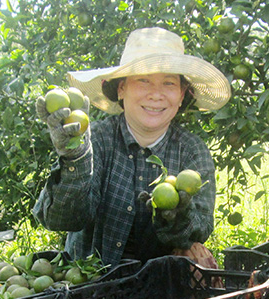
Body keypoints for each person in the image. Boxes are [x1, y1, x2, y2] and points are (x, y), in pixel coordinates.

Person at [32, 27, 231, 266]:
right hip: (91, 283)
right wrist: (75, 159)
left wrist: (177, 216)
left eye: (169, 83)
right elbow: (63, 220)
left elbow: (199, 230)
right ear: (121, 88)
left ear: (181, 95)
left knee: (196, 256)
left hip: (161, 285)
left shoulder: (191, 150)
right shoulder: (96, 140)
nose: (156, 94)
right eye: (143, 80)